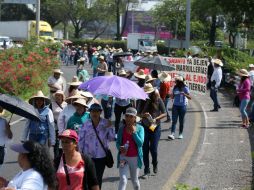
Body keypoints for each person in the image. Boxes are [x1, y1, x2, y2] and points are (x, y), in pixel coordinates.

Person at [79, 103, 115, 188]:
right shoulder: (85, 124)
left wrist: (111, 127)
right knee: (87, 180)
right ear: (90, 112)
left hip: (101, 157)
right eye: (92, 111)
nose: (94, 113)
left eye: (97, 111)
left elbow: (112, 138)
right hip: (88, 157)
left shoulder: (106, 123)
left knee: (98, 179)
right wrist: (80, 155)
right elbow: (80, 141)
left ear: (100, 112)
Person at [141, 83, 166, 178]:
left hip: (155, 126)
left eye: (149, 92)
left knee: (153, 149)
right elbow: (138, 114)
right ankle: (146, 170)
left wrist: (156, 118)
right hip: (144, 127)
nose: (147, 94)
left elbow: (164, 113)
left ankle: (155, 163)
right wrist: (144, 115)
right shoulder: (142, 100)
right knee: (145, 149)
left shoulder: (158, 100)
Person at [116, 107, 144, 190]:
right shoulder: (121, 128)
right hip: (123, 158)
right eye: (127, 116)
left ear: (135, 118)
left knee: (134, 180)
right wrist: (119, 147)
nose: (128, 118)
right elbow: (117, 142)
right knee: (123, 180)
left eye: (131, 116)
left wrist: (134, 133)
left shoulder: (140, 129)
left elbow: (140, 144)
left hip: (135, 158)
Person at [168, 76, 191, 140]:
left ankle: (180, 134)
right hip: (175, 106)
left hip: (182, 106)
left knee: (181, 121)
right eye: (176, 81)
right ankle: (172, 134)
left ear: (180, 82)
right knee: (174, 121)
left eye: (177, 81)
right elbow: (172, 97)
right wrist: (170, 95)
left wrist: (184, 94)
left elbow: (190, 97)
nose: (176, 83)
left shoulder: (185, 88)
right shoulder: (175, 87)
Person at [49, 90, 67, 159]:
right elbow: (49, 116)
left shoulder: (66, 104)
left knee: (64, 144)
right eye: (56, 95)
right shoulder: (51, 105)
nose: (58, 97)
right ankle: (56, 161)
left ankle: (64, 159)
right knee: (56, 145)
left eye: (59, 95)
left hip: (64, 128)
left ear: (62, 97)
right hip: (55, 128)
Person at [114, 70, 132, 136]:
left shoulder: (128, 83)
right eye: (121, 75)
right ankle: (116, 132)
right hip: (118, 104)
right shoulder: (116, 83)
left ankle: (126, 131)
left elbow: (130, 93)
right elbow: (113, 92)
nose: (122, 76)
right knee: (117, 120)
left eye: (123, 75)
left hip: (127, 104)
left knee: (127, 119)